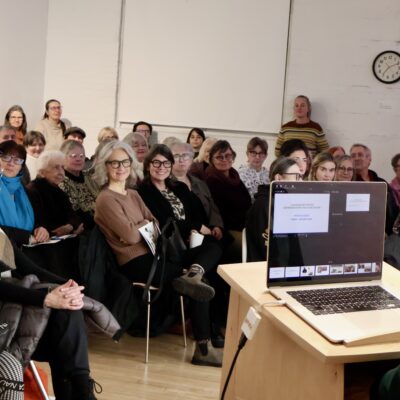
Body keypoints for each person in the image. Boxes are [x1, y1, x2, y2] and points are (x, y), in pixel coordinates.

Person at [95, 141, 223, 366]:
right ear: (105, 166)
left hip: (156, 253)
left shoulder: (132, 194)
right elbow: (133, 237)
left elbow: (155, 223)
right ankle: (203, 349)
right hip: (135, 261)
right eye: (114, 162)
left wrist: (140, 224)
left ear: (131, 164)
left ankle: (193, 272)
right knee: (199, 286)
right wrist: (143, 224)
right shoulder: (106, 199)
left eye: (125, 162)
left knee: (212, 246)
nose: (120, 167)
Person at [26, 151, 83, 279]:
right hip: (46, 246)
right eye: (56, 167)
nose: (61, 172)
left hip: (65, 240)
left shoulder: (59, 191)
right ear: (42, 171)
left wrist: (69, 226)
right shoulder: (33, 190)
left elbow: (73, 216)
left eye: (62, 167)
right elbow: (37, 222)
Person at [245, 157, 302, 262]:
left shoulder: (285, 201)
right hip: (268, 269)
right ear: (279, 178)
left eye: (301, 176)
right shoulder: (264, 205)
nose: (301, 181)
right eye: (296, 176)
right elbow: (270, 251)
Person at [205, 140, 251, 263]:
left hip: (243, 226)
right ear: (212, 160)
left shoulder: (234, 176)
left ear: (233, 157)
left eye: (228, 155)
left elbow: (247, 203)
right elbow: (220, 213)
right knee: (250, 248)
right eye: (219, 157)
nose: (224, 159)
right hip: (227, 229)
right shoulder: (212, 180)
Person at [0, 140, 48, 245]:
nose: (11, 163)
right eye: (6, 157)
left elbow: (37, 223)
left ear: (21, 167)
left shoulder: (29, 193)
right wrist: (25, 238)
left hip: (26, 250)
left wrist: (41, 230)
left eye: (17, 160)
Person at [350, 143, 398, 235]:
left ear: (369, 160)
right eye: (353, 156)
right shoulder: (349, 184)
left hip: (384, 235)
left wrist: (388, 231)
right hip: (357, 233)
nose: (356, 158)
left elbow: (392, 210)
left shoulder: (382, 183)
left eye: (360, 155)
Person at [59, 140, 97, 230]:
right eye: (73, 156)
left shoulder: (89, 177)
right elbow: (74, 213)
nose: (78, 159)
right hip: (82, 229)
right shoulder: (61, 181)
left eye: (81, 156)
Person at [238, 137, 269, 201]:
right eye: (253, 153)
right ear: (247, 154)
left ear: (265, 156)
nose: (257, 157)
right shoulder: (240, 175)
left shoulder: (269, 175)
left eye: (261, 153)